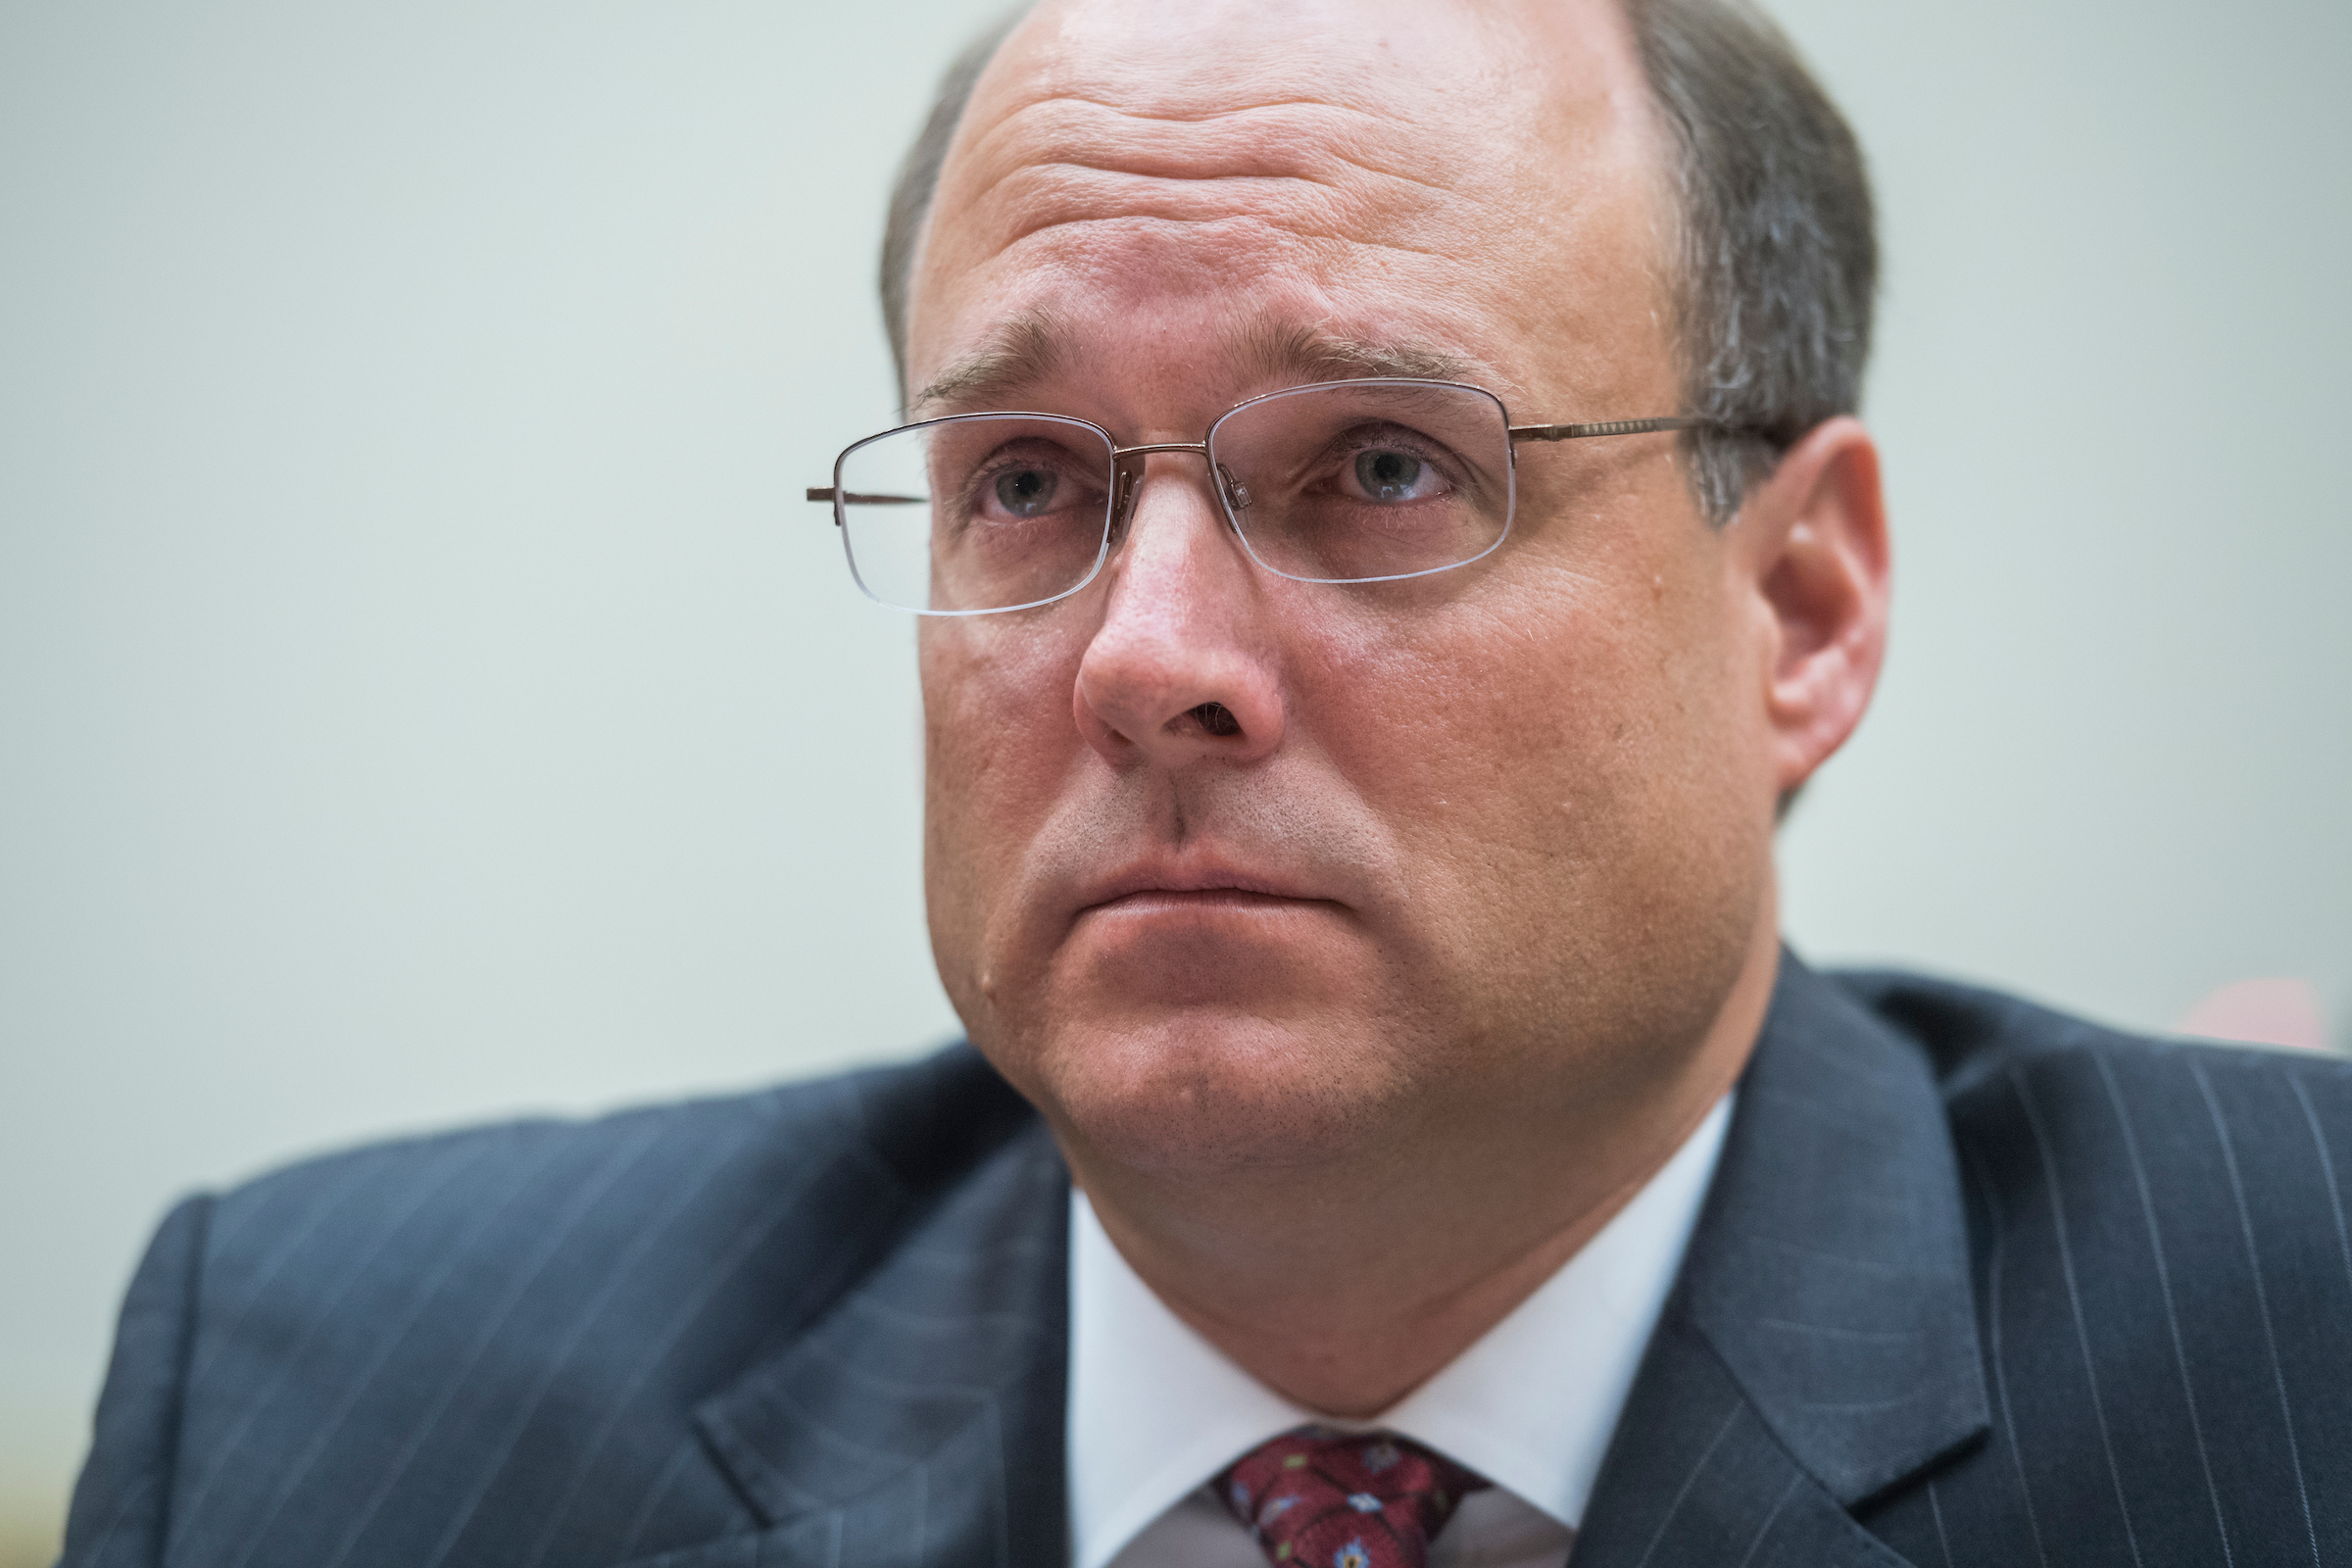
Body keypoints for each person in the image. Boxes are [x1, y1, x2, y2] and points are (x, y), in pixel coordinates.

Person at [58, 0, 2352, 1564]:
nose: (1149, 658)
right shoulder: (317, 1401)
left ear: (1804, 606)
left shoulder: (2291, 1343)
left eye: (1379, 462)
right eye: (1032, 482)